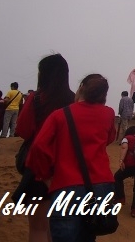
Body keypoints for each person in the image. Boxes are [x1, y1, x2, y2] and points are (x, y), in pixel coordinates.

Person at [27, 74, 117, 242]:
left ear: (81, 87)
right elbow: (110, 138)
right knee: (89, 234)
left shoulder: (59, 115)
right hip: (101, 185)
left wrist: (45, 176)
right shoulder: (108, 114)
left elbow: (38, 147)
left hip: (66, 185)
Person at [15, 54, 76, 242]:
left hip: (38, 167)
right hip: (65, 168)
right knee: (53, 227)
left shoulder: (37, 98)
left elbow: (23, 130)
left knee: (38, 228)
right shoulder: (74, 101)